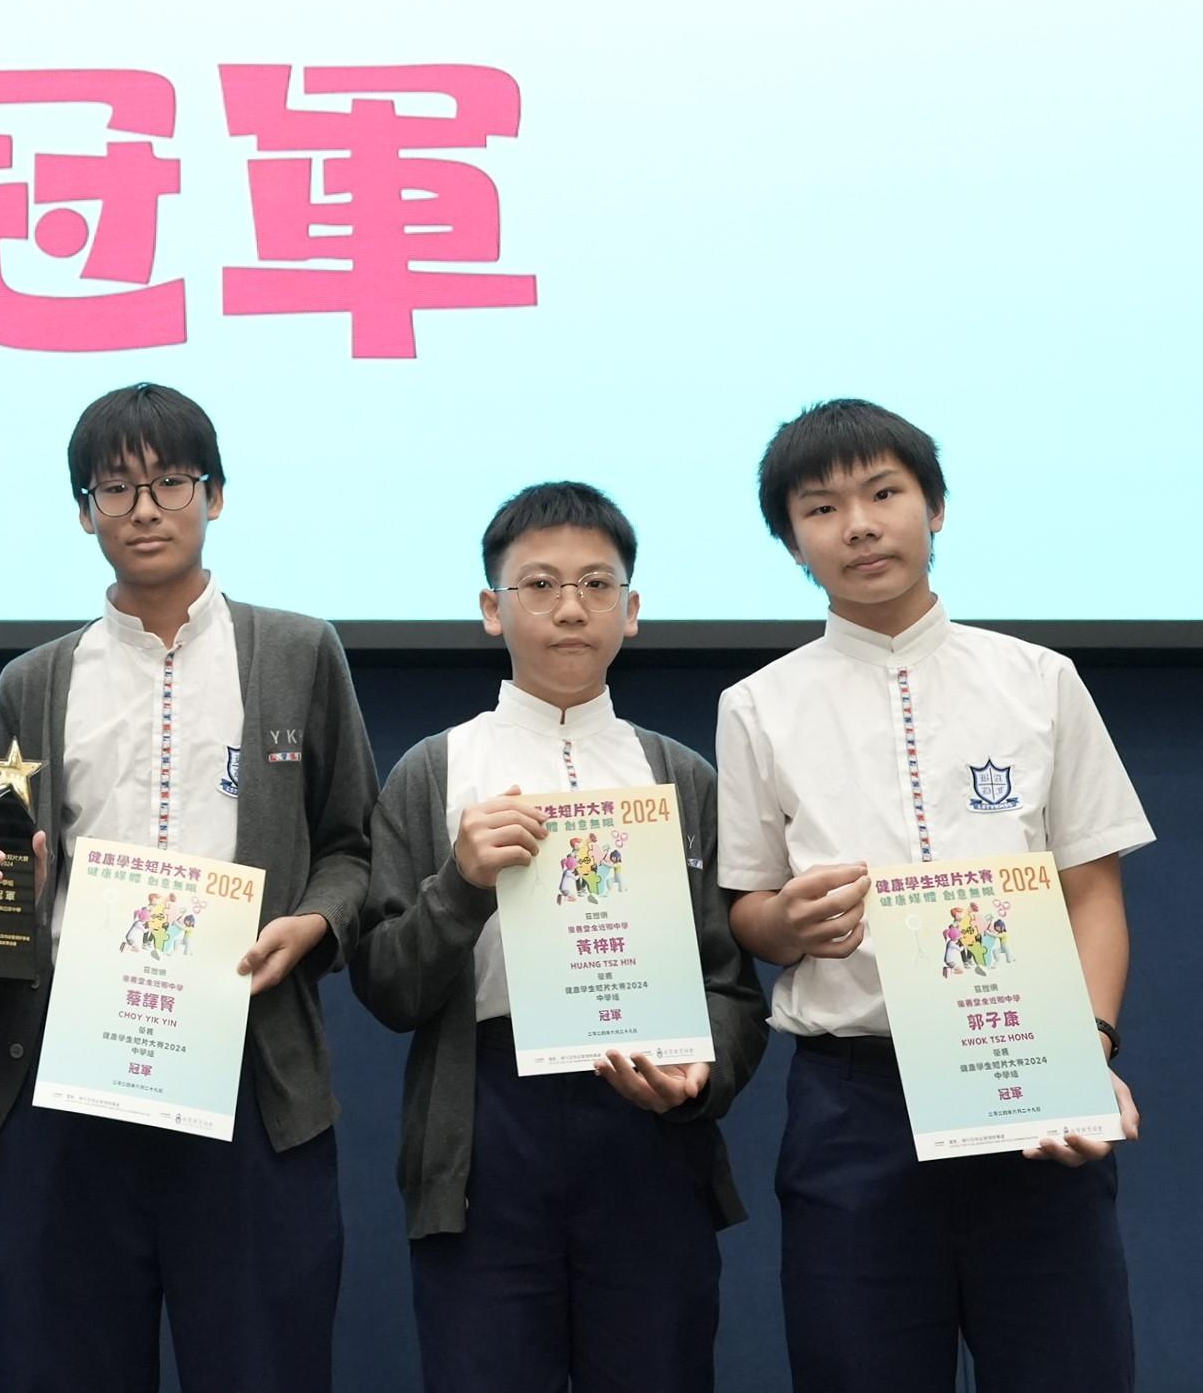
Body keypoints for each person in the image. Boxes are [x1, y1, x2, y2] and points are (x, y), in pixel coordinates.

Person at [716, 399, 1154, 1392]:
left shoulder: (1038, 681)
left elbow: (1091, 893)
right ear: (792, 541)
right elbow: (747, 908)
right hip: (853, 1103)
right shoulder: (756, 706)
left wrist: (1083, 1048)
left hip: (1032, 1082)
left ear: (936, 508)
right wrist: (786, 922)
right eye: (821, 508)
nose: (859, 525)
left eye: (884, 493)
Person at [0, 382, 377, 1393]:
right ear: (83, 510)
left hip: (245, 1067)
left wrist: (314, 921)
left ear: (216, 496)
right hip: (70, 1067)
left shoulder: (297, 652)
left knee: (261, 1365)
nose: (143, 507)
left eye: (169, 481)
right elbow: (10, 887)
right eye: (115, 486)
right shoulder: (33, 683)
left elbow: (354, 846)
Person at [351, 480, 770, 1393]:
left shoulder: (682, 775)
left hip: (649, 1128)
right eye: (538, 586)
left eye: (596, 584)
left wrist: (701, 1076)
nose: (570, 608)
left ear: (633, 611)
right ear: (492, 611)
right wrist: (459, 888)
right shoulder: (434, 771)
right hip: (487, 1128)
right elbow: (384, 988)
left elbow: (733, 985)